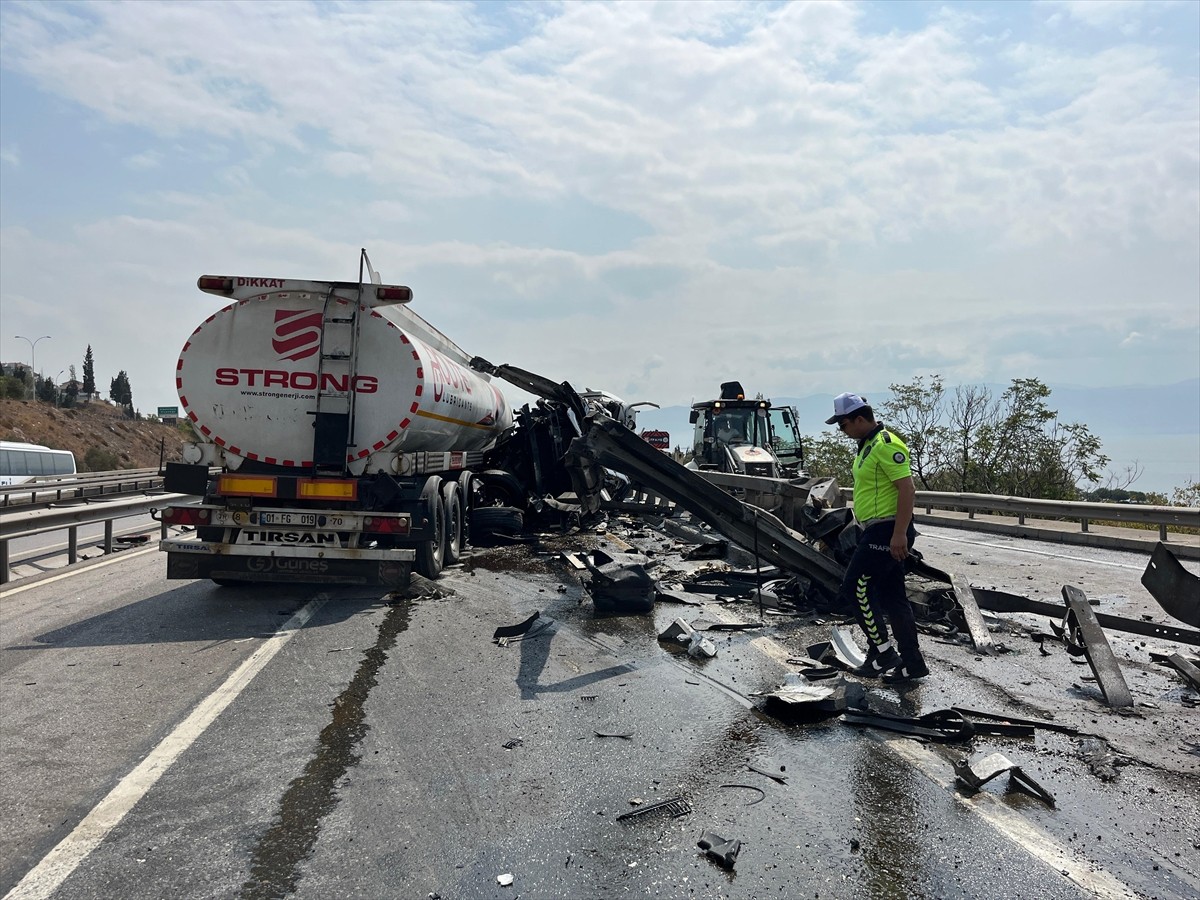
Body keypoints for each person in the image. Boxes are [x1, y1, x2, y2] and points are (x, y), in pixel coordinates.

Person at [825, 392, 928, 683]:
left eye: (843, 425)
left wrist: (899, 534)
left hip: (887, 529)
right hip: (876, 529)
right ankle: (912, 663)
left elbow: (907, 489)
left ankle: (882, 653)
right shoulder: (866, 447)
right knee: (893, 597)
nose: (841, 430)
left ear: (859, 419)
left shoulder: (885, 444)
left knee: (855, 588)